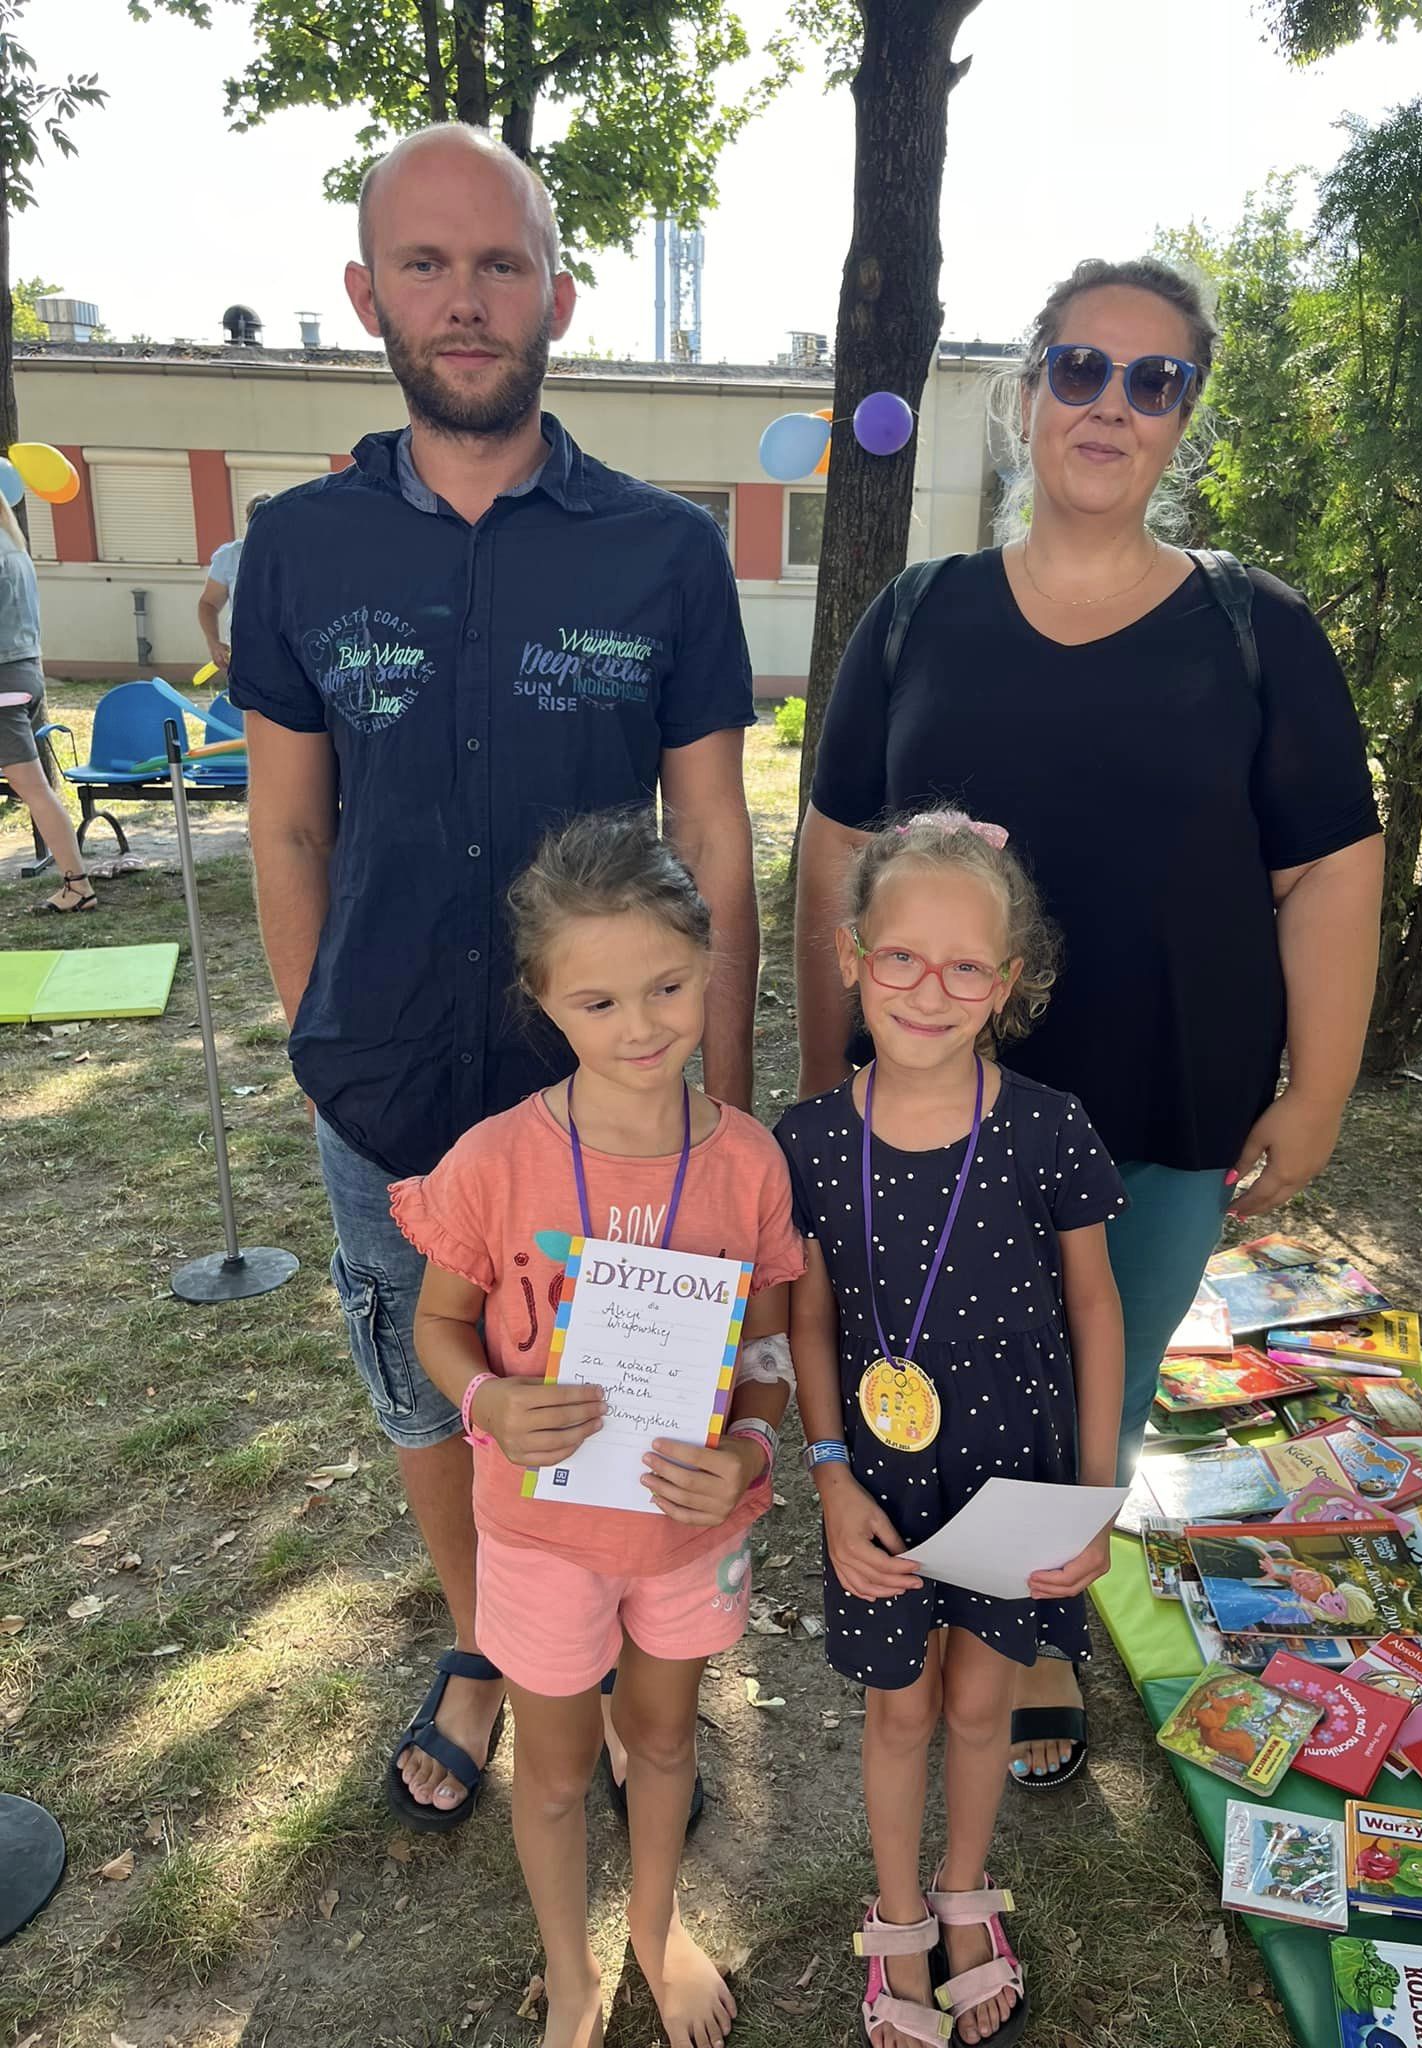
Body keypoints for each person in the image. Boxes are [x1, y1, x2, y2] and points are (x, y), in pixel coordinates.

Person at [229, 124, 760, 1831]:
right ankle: (492, 1644)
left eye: (500, 265)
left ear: (557, 295)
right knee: (431, 1376)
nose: (465, 301)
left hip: (616, 1094)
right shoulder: (296, 548)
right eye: (427, 264)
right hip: (385, 1082)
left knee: (622, 1377)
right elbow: (288, 825)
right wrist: (323, 1037)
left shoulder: (664, 552)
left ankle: (620, 1644)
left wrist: (719, 1086)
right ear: (366, 292)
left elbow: (713, 828)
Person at [793, 257, 1383, 1790]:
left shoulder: (1257, 631)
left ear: (1186, 414)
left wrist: (1317, 1089)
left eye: (1153, 379)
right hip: (926, 1111)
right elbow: (833, 853)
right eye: (1080, 368)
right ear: (1027, 390)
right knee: (933, 1367)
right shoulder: (917, 618)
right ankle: (925, 1602)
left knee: (1091, 1386)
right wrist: (813, 1081)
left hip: (1160, 1106)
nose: (1111, 404)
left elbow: (1329, 868)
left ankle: (1031, 1627)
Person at [393, 811, 803, 2048]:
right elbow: (438, 1323)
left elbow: (769, 1351)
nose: (641, 1026)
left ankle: (659, 1926)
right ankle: (572, 1966)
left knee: (665, 1742)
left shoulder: (749, 1164)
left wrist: (750, 1449)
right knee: (559, 1768)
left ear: (709, 962)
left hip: (687, 1534)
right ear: (543, 998)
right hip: (539, 1536)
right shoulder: (493, 1160)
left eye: (669, 985)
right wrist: (486, 1401)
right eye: (599, 1000)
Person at [778, 811, 1125, 2048]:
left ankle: (966, 1890)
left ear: (1008, 981)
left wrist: (1094, 1492)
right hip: (878, 1487)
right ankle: (896, 1911)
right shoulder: (808, 1141)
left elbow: (1096, 1305)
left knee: (983, 1704)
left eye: (966, 965)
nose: (930, 989)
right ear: (850, 955)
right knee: (901, 1710)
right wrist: (828, 1472)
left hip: (1016, 1480)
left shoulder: (1050, 1125)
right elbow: (809, 1318)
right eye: (901, 957)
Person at [0, 496, 96, 913]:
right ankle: (77, 884)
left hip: (4, 680)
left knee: (34, 789)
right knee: (34, 788)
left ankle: (78, 885)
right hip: (23, 672)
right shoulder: (13, 546)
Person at [196, 493, 273, 670]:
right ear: (249, 522)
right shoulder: (230, 557)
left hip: (289, 656)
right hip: (245, 654)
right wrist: (213, 642)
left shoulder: (294, 555)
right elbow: (208, 604)